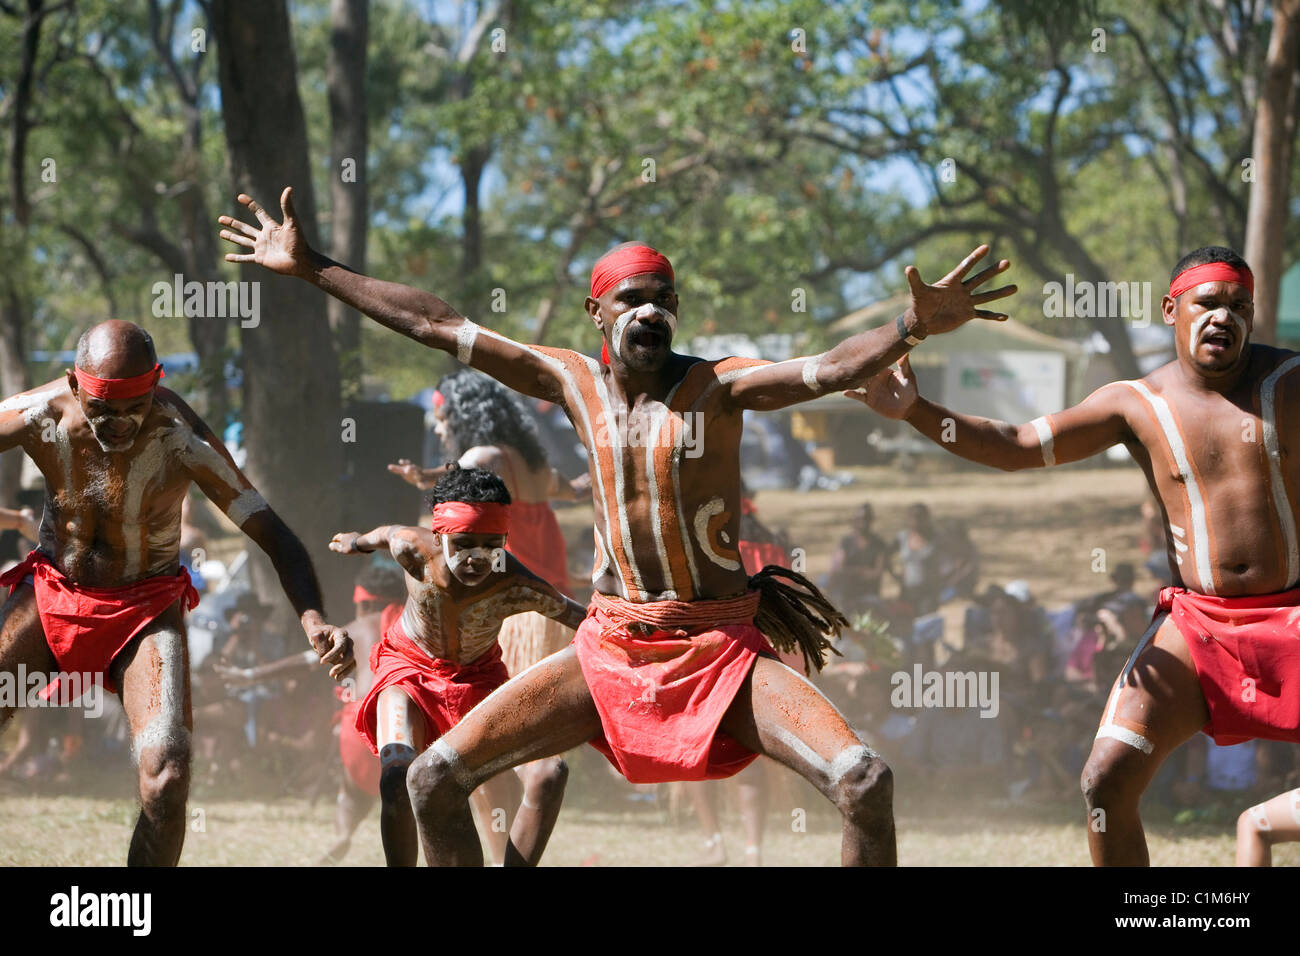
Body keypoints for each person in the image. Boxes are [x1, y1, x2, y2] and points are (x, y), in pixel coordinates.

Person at [219, 185, 1015, 866]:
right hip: (609, 647)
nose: (651, 312)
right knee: (432, 780)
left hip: (718, 647)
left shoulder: (720, 387)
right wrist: (314, 267)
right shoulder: (570, 381)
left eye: (664, 299)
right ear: (597, 312)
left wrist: (908, 328)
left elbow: (827, 368)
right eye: (633, 298)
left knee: (865, 780)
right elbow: (436, 323)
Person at [851, 245, 1300, 866]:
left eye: (1238, 307)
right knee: (1104, 782)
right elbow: (1015, 445)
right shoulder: (1133, 402)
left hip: (1295, 617)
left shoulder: (1291, 382)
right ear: (1172, 309)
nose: (1224, 318)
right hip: (1198, 627)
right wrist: (916, 412)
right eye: (1208, 303)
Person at [0, 320, 353, 865]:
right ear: (75, 386)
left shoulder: (179, 436)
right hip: (52, 592)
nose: (120, 424)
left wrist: (313, 618)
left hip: (144, 611)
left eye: (134, 407)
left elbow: (272, 533)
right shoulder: (39, 413)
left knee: (167, 778)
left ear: (155, 385)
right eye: (104, 410)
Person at [328, 465, 587, 866]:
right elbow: (385, 533)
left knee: (550, 774)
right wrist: (356, 542)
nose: (478, 558)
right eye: (465, 543)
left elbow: (584, 621)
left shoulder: (517, 584)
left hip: (479, 682)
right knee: (397, 775)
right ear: (438, 535)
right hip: (408, 671)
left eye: (492, 545)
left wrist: (650, 631)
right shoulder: (412, 549)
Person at [387, 370, 583, 677]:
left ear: (464, 416)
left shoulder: (482, 457)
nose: (439, 430)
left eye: (442, 419)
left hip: (519, 612)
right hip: (556, 607)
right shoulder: (534, 465)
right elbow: (571, 490)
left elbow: (467, 469)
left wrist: (426, 477)